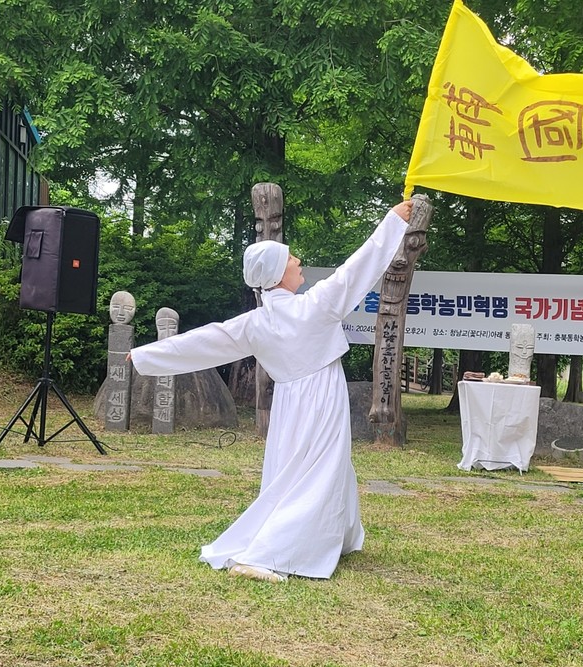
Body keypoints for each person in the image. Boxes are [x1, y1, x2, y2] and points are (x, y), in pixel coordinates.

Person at [130, 200, 413, 582]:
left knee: (299, 470)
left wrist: (146, 356)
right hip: (322, 398)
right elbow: (360, 268)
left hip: (290, 404)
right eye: (292, 259)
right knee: (320, 471)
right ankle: (267, 554)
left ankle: (335, 537)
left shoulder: (257, 321)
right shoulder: (316, 305)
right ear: (280, 274)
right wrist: (393, 221)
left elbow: (202, 342)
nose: (299, 262)